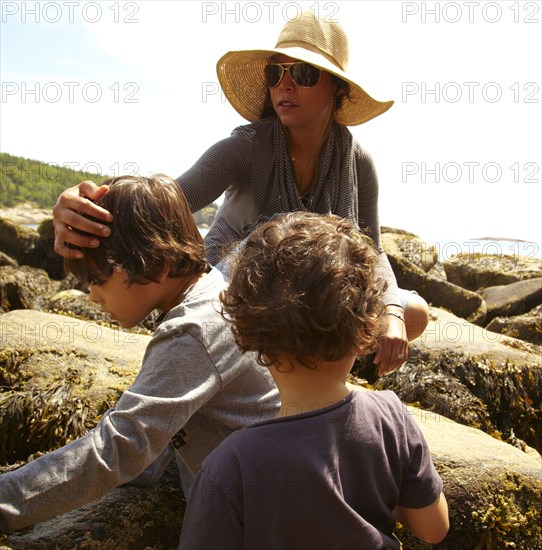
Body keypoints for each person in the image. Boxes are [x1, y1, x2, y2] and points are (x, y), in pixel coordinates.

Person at [51, 12, 429, 375]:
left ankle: (311, 367)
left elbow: (372, 251)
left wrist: (392, 315)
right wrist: (83, 202)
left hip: (310, 292)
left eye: (302, 72)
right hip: (233, 292)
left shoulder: (356, 161)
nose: (285, 83)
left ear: (338, 88)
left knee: (414, 313)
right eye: (275, 72)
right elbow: (159, 204)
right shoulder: (246, 148)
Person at [0, 174, 279, 535]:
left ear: (157, 263)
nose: (92, 298)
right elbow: (163, 424)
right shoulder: (212, 295)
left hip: (253, 523)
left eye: (98, 280)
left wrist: (6, 502)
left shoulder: (194, 331)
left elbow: (120, 448)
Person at [178, 212, 449, 550]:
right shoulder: (391, 417)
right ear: (366, 328)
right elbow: (433, 528)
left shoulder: (229, 464)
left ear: (246, 332)